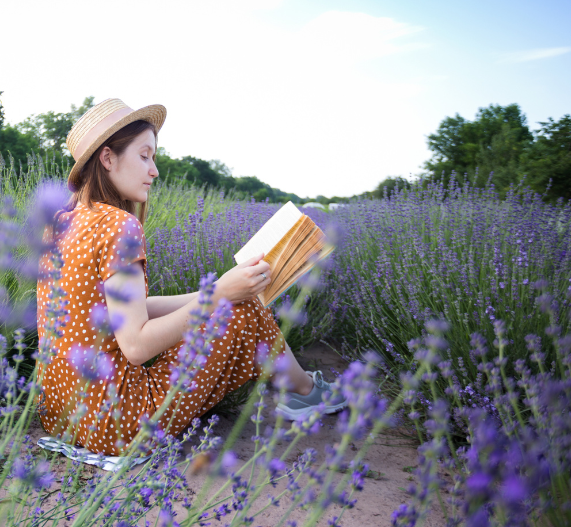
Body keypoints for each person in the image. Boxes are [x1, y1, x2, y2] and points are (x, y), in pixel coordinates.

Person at [35, 98, 346, 457]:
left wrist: (217, 290)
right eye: (144, 156)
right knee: (244, 311)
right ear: (107, 159)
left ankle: (301, 390)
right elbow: (135, 347)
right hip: (119, 426)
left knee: (234, 298)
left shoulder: (60, 222)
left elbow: (120, 310)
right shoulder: (120, 225)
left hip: (63, 415)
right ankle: (305, 393)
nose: (154, 170)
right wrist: (220, 298)